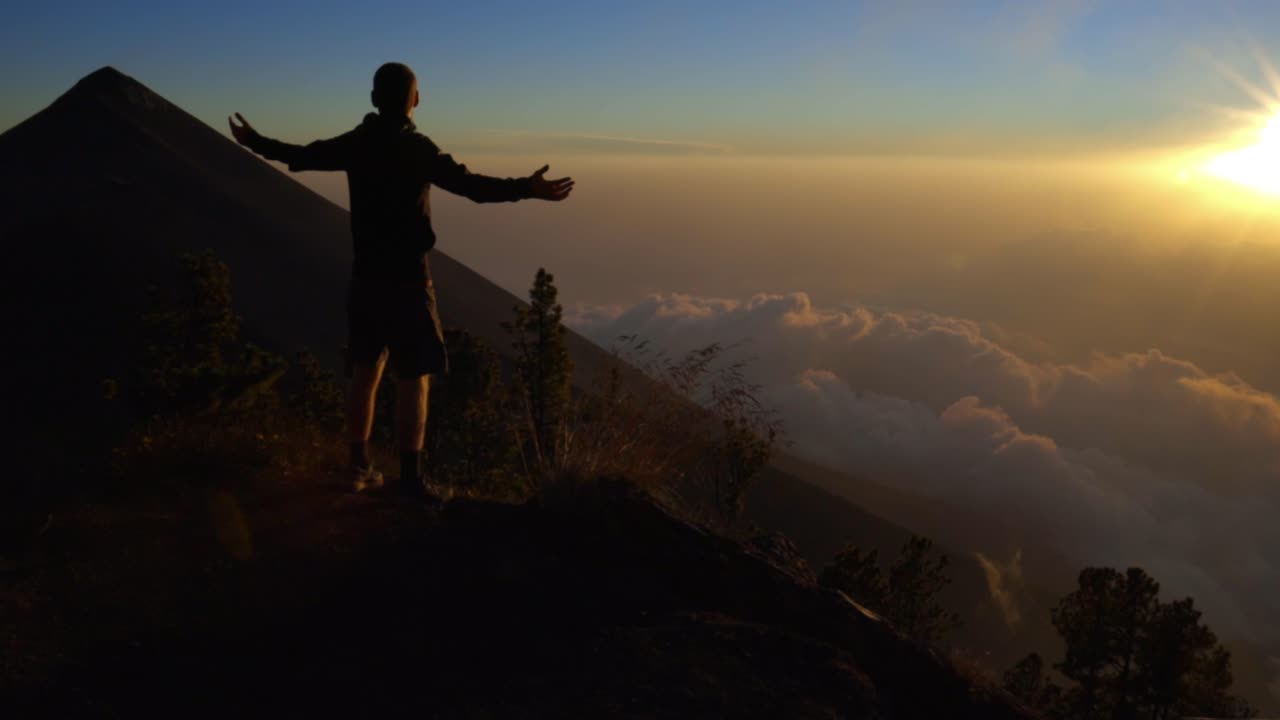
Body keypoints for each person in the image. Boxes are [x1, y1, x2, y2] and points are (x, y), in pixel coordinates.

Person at [228, 62, 573, 498]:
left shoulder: (358, 143)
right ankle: (409, 480)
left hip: (365, 276)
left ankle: (358, 465)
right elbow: (473, 187)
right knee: (414, 380)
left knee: (364, 372)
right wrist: (527, 187)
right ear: (416, 99)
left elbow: (303, 153)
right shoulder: (419, 150)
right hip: (409, 280)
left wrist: (254, 141)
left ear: (374, 99)